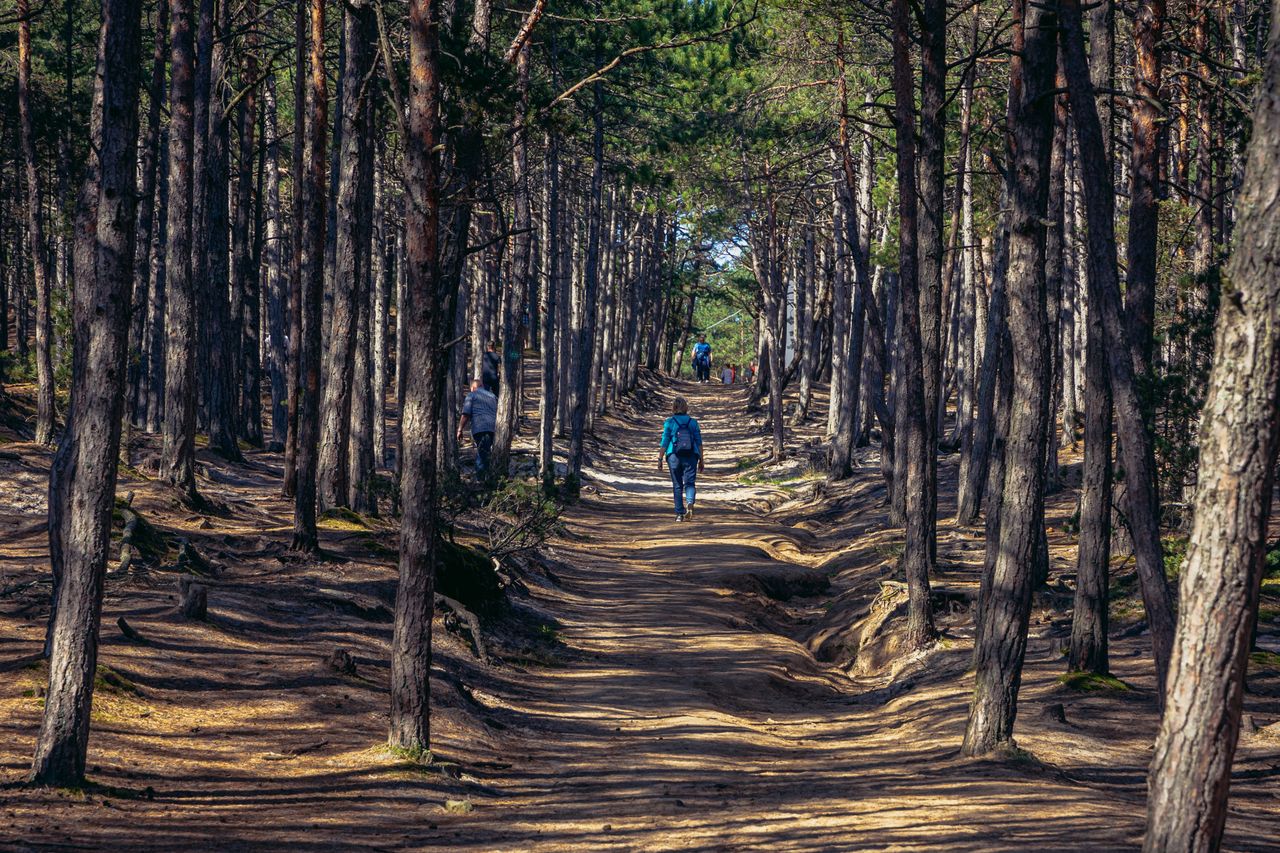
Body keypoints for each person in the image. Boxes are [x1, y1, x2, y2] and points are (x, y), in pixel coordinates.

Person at [658, 396, 704, 521]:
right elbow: (699, 442)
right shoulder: (693, 422)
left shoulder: (669, 422)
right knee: (690, 483)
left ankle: (679, 514)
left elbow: (665, 441)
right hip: (691, 456)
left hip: (673, 456)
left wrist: (660, 458)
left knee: (677, 485)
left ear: (674, 407)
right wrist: (701, 459)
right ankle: (690, 502)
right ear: (686, 407)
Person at [458, 379, 498, 477]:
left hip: (480, 427)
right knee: (486, 451)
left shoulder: (471, 395)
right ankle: (488, 476)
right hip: (494, 428)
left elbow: (465, 414)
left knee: (482, 453)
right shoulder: (493, 396)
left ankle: (480, 479)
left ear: (473, 388)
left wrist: (460, 429)